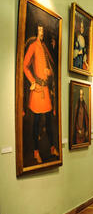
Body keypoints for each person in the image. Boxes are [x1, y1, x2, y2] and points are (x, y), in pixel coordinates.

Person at [23, 24, 59, 164]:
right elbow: (25, 66)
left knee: (49, 121)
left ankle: (51, 148)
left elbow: (50, 67)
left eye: (43, 30)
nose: (41, 32)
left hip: (45, 90)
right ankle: (36, 152)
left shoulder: (44, 47)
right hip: (38, 90)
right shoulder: (33, 46)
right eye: (39, 30)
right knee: (36, 123)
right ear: (36, 31)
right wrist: (33, 81)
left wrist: (49, 72)